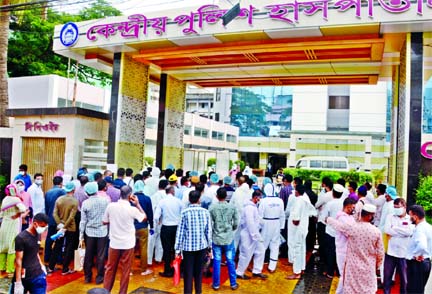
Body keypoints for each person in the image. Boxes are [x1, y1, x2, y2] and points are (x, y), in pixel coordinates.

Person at [326, 203, 384, 293]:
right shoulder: (376, 232)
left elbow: (338, 225)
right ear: (370, 216)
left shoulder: (353, 228)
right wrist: (376, 266)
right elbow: (380, 253)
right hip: (368, 268)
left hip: (352, 269)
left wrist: (328, 219)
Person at [103, 186, 147, 294]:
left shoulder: (111, 206)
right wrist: (137, 204)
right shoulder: (132, 209)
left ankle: (105, 291)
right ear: (130, 196)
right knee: (125, 271)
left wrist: (114, 221)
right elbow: (144, 217)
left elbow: (104, 221)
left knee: (110, 269)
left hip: (114, 243)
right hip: (128, 244)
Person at [175, 190, 212, 294]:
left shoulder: (184, 213)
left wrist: (177, 250)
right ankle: (198, 292)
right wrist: (210, 248)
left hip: (188, 248)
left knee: (188, 273)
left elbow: (180, 232)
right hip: (202, 247)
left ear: (189, 200)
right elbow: (208, 232)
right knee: (199, 273)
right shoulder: (206, 212)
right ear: (199, 199)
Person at [79, 181, 109, 284]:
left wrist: (81, 235)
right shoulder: (105, 201)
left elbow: (83, 221)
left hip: (89, 232)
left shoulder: (85, 203)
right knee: (100, 256)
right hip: (102, 232)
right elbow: (108, 217)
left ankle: (88, 277)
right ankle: (99, 277)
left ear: (87, 192)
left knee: (89, 255)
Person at [209, 187, 239, 291]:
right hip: (228, 238)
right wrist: (231, 229)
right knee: (230, 260)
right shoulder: (232, 207)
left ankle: (216, 284)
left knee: (217, 261)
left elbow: (210, 223)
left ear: (217, 196)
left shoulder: (212, 207)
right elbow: (236, 223)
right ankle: (233, 284)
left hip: (216, 237)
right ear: (226, 196)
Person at [12, 213, 49, 294]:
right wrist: (18, 282)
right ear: (35, 223)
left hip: (38, 275)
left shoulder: (38, 234)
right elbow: (18, 260)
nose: (43, 229)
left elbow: (35, 252)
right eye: (42, 226)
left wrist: (41, 265)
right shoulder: (21, 238)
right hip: (24, 276)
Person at [286, 184, 317, 279]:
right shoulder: (305, 199)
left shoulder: (299, 201)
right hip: (303, 228)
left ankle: (296, 272)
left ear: (297, 192)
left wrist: (293, 223)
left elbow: (296, 219)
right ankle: (302, 268)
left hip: (297, 230)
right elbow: (312, 212)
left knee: (296, 249)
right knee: (302, 248)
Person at [236, 190, 268, 280]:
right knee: (245, 253)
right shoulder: (249, 208)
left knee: (261, 250)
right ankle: (239, 272)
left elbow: (256, 220)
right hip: (248, 234)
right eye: (260, 197)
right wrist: (255, 235)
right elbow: (250, 223)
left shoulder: (253, 206)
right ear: (255, 197)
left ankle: (257, 271)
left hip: (254, 234)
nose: (261, 199)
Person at [383, 198, 413, 294]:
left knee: (404, 280)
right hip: (390, 253)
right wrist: (402, 232)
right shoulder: (390, 217)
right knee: (387, 278)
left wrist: (395, 228)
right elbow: (387, 230)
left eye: (398, 207)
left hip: (403, 254)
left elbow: (409, 232)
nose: (396, 209)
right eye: (394, 207)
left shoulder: (410, 219)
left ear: (404, 207)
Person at [48, 182, 78, 275]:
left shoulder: (59, 199)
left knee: (57, 246)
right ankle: (65, 269)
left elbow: (54, 213)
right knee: (69, 248)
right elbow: (71, 217)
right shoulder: (75, 201)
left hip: (59, 227)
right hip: (71, 228)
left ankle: (50, 267)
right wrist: (65, 227)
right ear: (73, 190)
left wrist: (60, 225)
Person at [155, 185, 183, 278]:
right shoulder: (179, 201)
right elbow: (183, 214)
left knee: (166, 250)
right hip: (176, 228)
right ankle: (177, 269)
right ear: (173, 192)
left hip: (166, 228)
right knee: (176, 249)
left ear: (166, 192)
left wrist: (159, 222)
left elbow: (156, 216)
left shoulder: (162, 202)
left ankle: (167, 270)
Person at [0, 184, 27, 277]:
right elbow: (23, 209)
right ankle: (10, 269)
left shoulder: (5, 199)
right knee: (12, 246)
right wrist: (17, 214)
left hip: (4, 224)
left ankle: (2, 267)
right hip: (13, 224)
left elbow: (1, 214)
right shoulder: (16, 200)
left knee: (3, 246)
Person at [406, 205, 432, 294]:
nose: (409, 218)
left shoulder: (419, 229)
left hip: (418, 264)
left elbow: (422, 245)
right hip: (426, 262)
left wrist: (416, 254)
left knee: (413, 290)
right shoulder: (429, 227)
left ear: (415, 216)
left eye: (410, 216)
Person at [259, 183, 285, 273]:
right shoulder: (280, 201)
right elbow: (282, 214)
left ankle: (259, 266)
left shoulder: (263, 201)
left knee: (262, 245)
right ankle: (272, 267)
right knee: (275, 245)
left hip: (266, 223)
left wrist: (259, 227)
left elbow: (260, 215)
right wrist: (281, 226)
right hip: (277, 223)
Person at [322, 183, 344, 279]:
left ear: (333, 193)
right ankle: (339, 272)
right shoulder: (344, 203)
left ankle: (330, 272)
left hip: (330, 231)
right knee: (340, 252)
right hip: (341, 232)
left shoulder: (329, 204)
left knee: (330, 252)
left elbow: (324, 217)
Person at [334, 197, 356, 294]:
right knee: (344, 274)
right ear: (347, 207)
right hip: (343, 250)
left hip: (348, 249)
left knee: (348, 275)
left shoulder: (349, 217)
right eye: (352, 208)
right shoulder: (342, 218)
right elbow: (351, 232)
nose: (354, 210)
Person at [133, 180, 154, 276]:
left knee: (131, 249)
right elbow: (150, 213)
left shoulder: (131, 198)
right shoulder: (147, 198)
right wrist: (152, 225)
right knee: (143, 248)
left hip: (132, 226)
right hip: (143, 226)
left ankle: (129, 270)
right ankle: (143, 269)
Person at [43, 176, 65, 264]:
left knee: (49, 238)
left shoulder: (48, 192)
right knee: (59, 239)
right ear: (61, 183)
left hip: (50, 218)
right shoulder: (62, 192)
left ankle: (47, 256)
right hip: (59, 219)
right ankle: (58, 258)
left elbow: (46, 207)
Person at [315, 177, 333, 274]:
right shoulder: (335, 195)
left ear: (325, 185)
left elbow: (317, 205)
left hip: (323, 221)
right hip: (332, 222)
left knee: (322, 242)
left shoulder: (325, 196)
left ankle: (323, 260)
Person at [148, 179, 168, 265]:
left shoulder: (153, 196)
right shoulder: (167, 197)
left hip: (153, 222)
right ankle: (158, 258)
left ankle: (149, 260)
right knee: (160, 240)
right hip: (163, 221)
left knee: (151, 240)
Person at [230, 176, 252, 250]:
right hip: (247, 217)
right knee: (245, 238)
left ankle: (232, 256)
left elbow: (231, 204)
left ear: (238, 182)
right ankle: (242, 257)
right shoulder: (250, 191)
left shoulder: (237, 191)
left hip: (237, 217)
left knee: (234, 237)